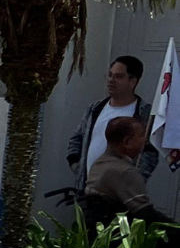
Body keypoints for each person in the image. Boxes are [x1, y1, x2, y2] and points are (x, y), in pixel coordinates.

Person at [67, 54, 158, 196]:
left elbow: (150, 152)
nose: (111, 80)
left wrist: (134, 180)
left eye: (119, 76)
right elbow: (78, 136)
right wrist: (75, 164)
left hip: (120, 194)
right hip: (87, 189)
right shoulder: (95, 108)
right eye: (109, 75)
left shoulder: (143, 114)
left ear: (133, 81)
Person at [85, 117, 175, 231]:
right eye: (141, 135)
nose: (145, 140)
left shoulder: (98, 164)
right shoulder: (124, 171)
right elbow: (145, 214)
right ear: (127, 142)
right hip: (115, 236)